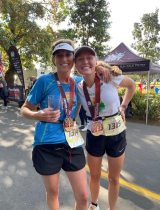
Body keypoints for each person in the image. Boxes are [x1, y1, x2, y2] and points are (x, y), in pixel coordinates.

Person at [20, 39, 111, 210]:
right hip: (46, 144)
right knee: (53, 193)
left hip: (71, 142)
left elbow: (92, 70)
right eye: (59, 55)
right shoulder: (44, 81)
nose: (64, 59)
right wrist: (36, 114)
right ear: (53, 59)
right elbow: (24, 109)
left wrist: (100, 67)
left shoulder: (79, 81)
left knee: (84, 197)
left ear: (73, 58)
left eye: (68, 54)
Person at [74, 46, 136, 210]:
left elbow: (132, 86)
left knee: (113, 178)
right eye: (80, 59)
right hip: (94, 133)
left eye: (89, 58)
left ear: (96, 61)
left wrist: (123, 107)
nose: (85, 62)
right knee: (94, 175)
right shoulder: (77, 86)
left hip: (116, 132)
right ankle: (94, 205)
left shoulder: (109, 76)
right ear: (75, 64)